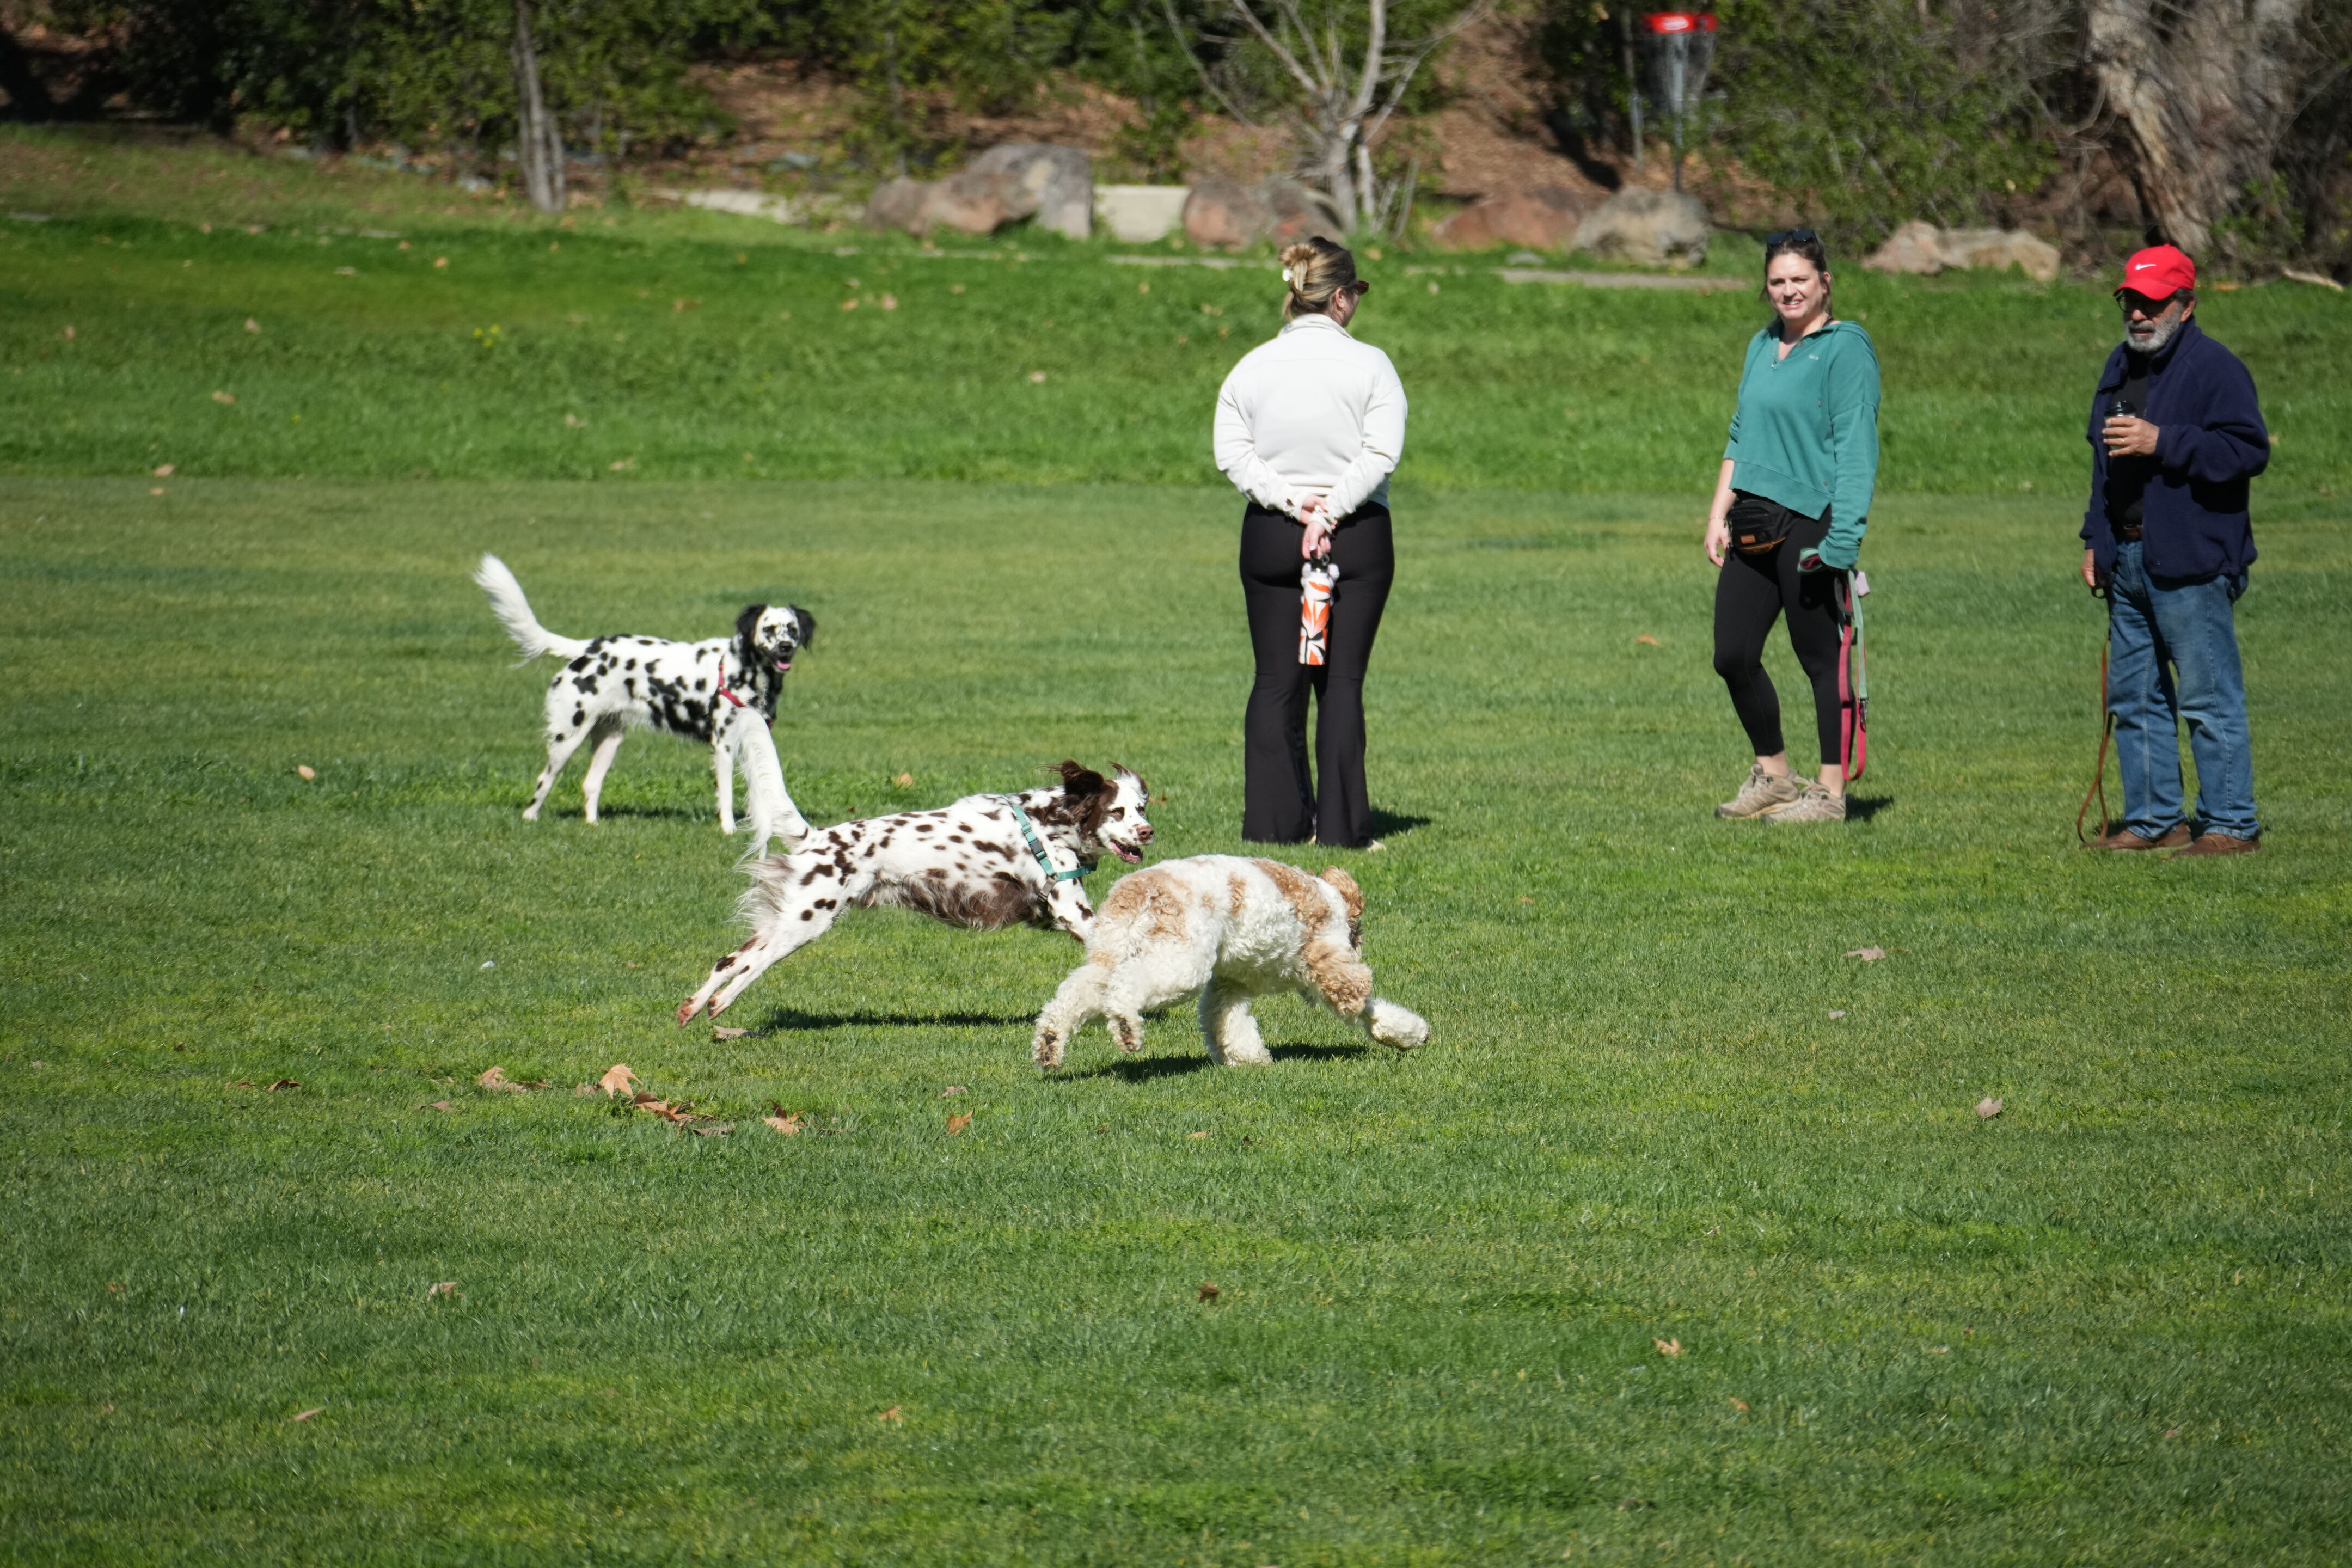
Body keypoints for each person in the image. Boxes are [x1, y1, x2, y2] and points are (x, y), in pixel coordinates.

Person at [1213, 236, 1405, 848]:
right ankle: (1344, 829)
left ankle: (1275, 827)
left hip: (1273, 535)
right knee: (1340, 683)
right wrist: (1330, 511)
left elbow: (1232, 454)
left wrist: (1296, 506)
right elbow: (1380, 452)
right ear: (1343, 298)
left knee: (1275, 681)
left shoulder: (1250, 366)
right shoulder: (1371, 364)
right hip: (1355, 537)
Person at [2079, 244, 2269, 855]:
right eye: (2131, 301)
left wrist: (2165, 441)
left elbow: (2247, 451)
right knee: (2133, 697)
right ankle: (2157, 818)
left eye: (2153, 302)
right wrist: (2094, 539)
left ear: (2187, 306)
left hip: (2192, 560)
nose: (2139, 314)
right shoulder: (2119, 363)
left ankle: (2231, 823)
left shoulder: (2216, 368)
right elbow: (2102, 465)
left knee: (2207, 696)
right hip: (2127, 560)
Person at [1702, 229, 1881, 824]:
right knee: (1733, 654)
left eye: (1799, 279)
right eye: (1777, 282)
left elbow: (1856, 448)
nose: (1788, 291)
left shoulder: (1845, 349)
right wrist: (1718, 512)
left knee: (1818, 656)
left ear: (1825, 282)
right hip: (1754, 519)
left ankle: (1830, 793)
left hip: (1814, 517)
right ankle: (1775, 775)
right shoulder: (1762, 344)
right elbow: (1740, 432)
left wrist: (1844, 539)